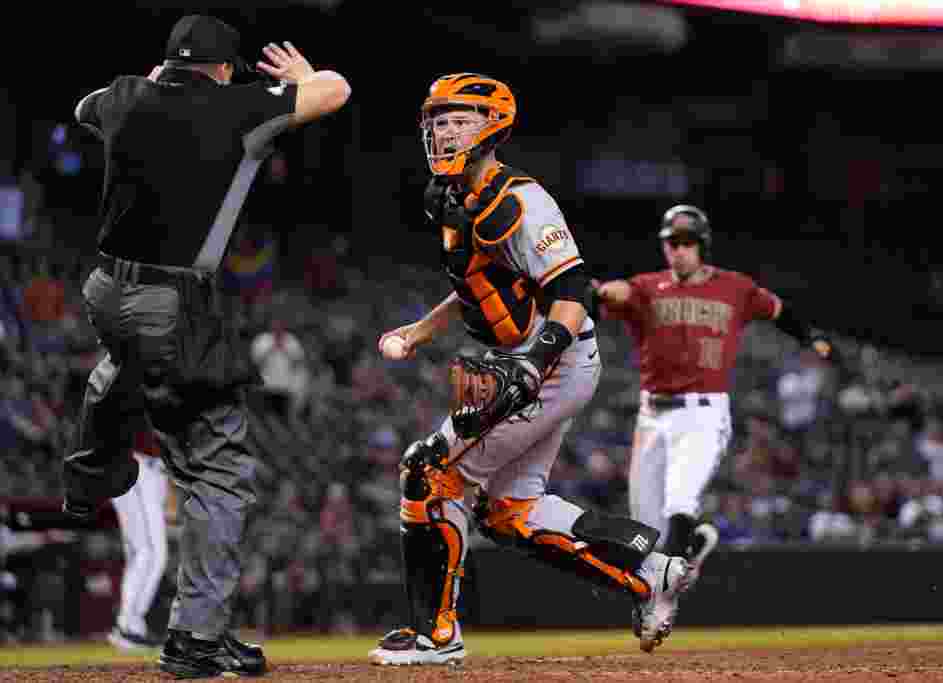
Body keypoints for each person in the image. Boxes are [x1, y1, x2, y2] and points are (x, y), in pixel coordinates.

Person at [369, 73, 694, 666]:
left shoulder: (523, 200)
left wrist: (532, 362)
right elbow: (476, 287)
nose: (442, 132)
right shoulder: (447, 197)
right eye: (437, 121)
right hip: (524, 361)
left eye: (457, 120)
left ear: (493, 126)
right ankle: (652, 572)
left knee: (429, 469)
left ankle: (434, 636)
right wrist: (421, 331)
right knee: (508, 510)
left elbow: (571, 289)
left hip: (552, 358)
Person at [63, 14, 351, 678]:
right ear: (224, 69)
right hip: (172, 297)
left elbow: (85, 109)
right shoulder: (236, 104)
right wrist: (302, 77)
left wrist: (152, 78)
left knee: (130, 362)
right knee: (218, 469)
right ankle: (196, 637)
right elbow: (335, 89)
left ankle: (94, 458)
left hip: (106, 287)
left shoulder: (125, 95)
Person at [592, 205, 833, 585]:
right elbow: (617, 293)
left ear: (702, 245)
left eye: (687, 242)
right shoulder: (646, 287)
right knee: (646, 525)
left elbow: (779, 310)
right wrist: (601, 290)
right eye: (672, 243)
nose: (678, 250)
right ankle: (689, 552)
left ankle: (660, 594)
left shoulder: (735, 287)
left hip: (703, 412)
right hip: (651, 415)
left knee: (681, 501)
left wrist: (811, 337)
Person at [107, 429, 169, 651]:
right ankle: (128, 626)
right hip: (138, 463)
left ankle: (131, 626)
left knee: (141, 553)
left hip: (144, 466)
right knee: (151, 553)